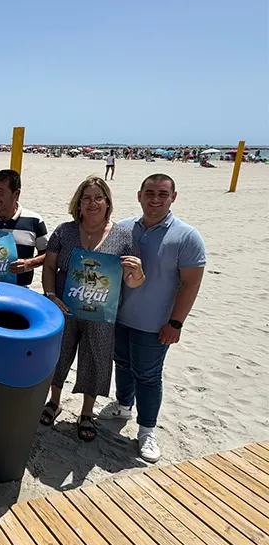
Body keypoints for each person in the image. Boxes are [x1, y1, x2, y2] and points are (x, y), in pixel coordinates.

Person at [100, 174, 205, 462]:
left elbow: (191, 284)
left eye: (162, 194)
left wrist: (176, 323)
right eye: (149, 193)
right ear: (139, 195)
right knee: (121, 363)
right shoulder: (122, 227)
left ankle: (147, 430)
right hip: (119, 316)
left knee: (147, 376)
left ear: (173, 197)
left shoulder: (186, 236)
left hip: (155, 324)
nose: (155, 199)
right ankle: (123, 405)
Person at [41, 177, 145, 442]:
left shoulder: (123, 235)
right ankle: (54, 402)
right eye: (86, 198)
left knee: (96, 360)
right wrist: (50, 295)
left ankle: (87, 412)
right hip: (64, 307)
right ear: (78, 203)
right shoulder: (64, 231)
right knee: (58, 355)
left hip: (102, 313)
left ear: (107, 202)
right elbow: (50, 267)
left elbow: (132, 282)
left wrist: (138, 274)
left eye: (99, 197)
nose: (93, 203)